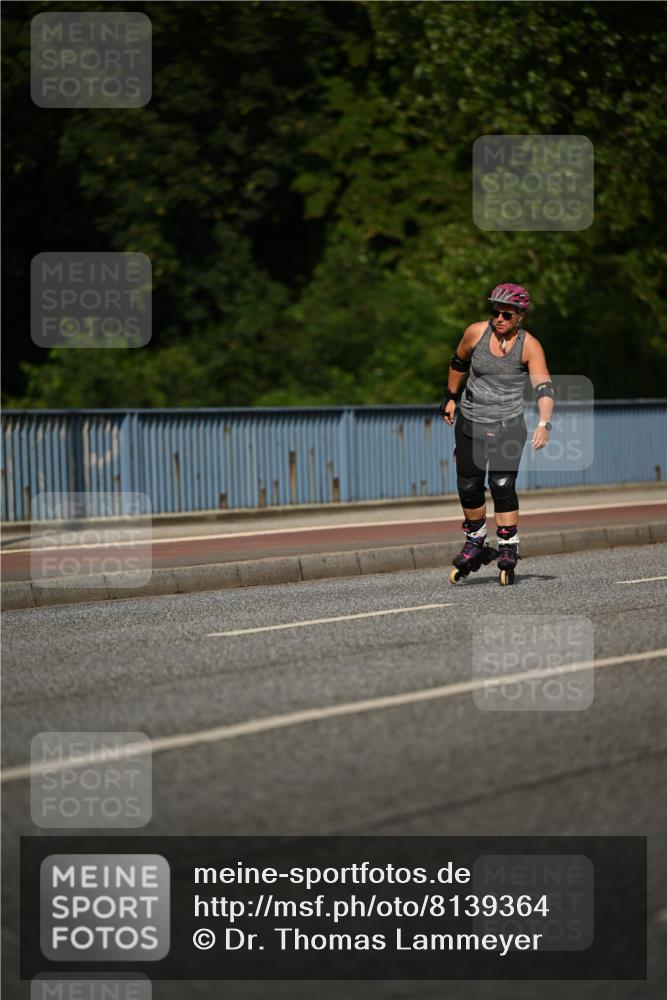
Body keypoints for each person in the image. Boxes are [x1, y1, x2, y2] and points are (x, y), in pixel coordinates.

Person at [440, 283, 554, 584]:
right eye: (495, 312)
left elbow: (543, 388)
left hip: (507, 425)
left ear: (520, 316)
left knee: (502, 484)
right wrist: (450, 397)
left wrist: (544, 423)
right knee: (468, 484)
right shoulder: (476, 333)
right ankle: (475, 542)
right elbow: (458, 362)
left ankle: (507, 547)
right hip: (471, 421)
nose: (499, 319)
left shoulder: (529, 346)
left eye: (506, 314)